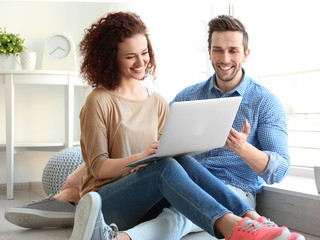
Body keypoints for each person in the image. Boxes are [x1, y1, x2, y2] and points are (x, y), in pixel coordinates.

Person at [4, 13, 304, 240]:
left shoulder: (162, 101)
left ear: (245, 54)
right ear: (111, 59)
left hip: (172, 189)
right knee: (167, 170)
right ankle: (238, 228)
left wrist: (239, 147)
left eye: (144, 54)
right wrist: (74, 183)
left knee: (176, 163)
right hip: (118, 192)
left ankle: (250, 218)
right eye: (130, 56)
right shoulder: (103, 100)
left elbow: (276, 169)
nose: (141, 62)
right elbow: (100, 166)